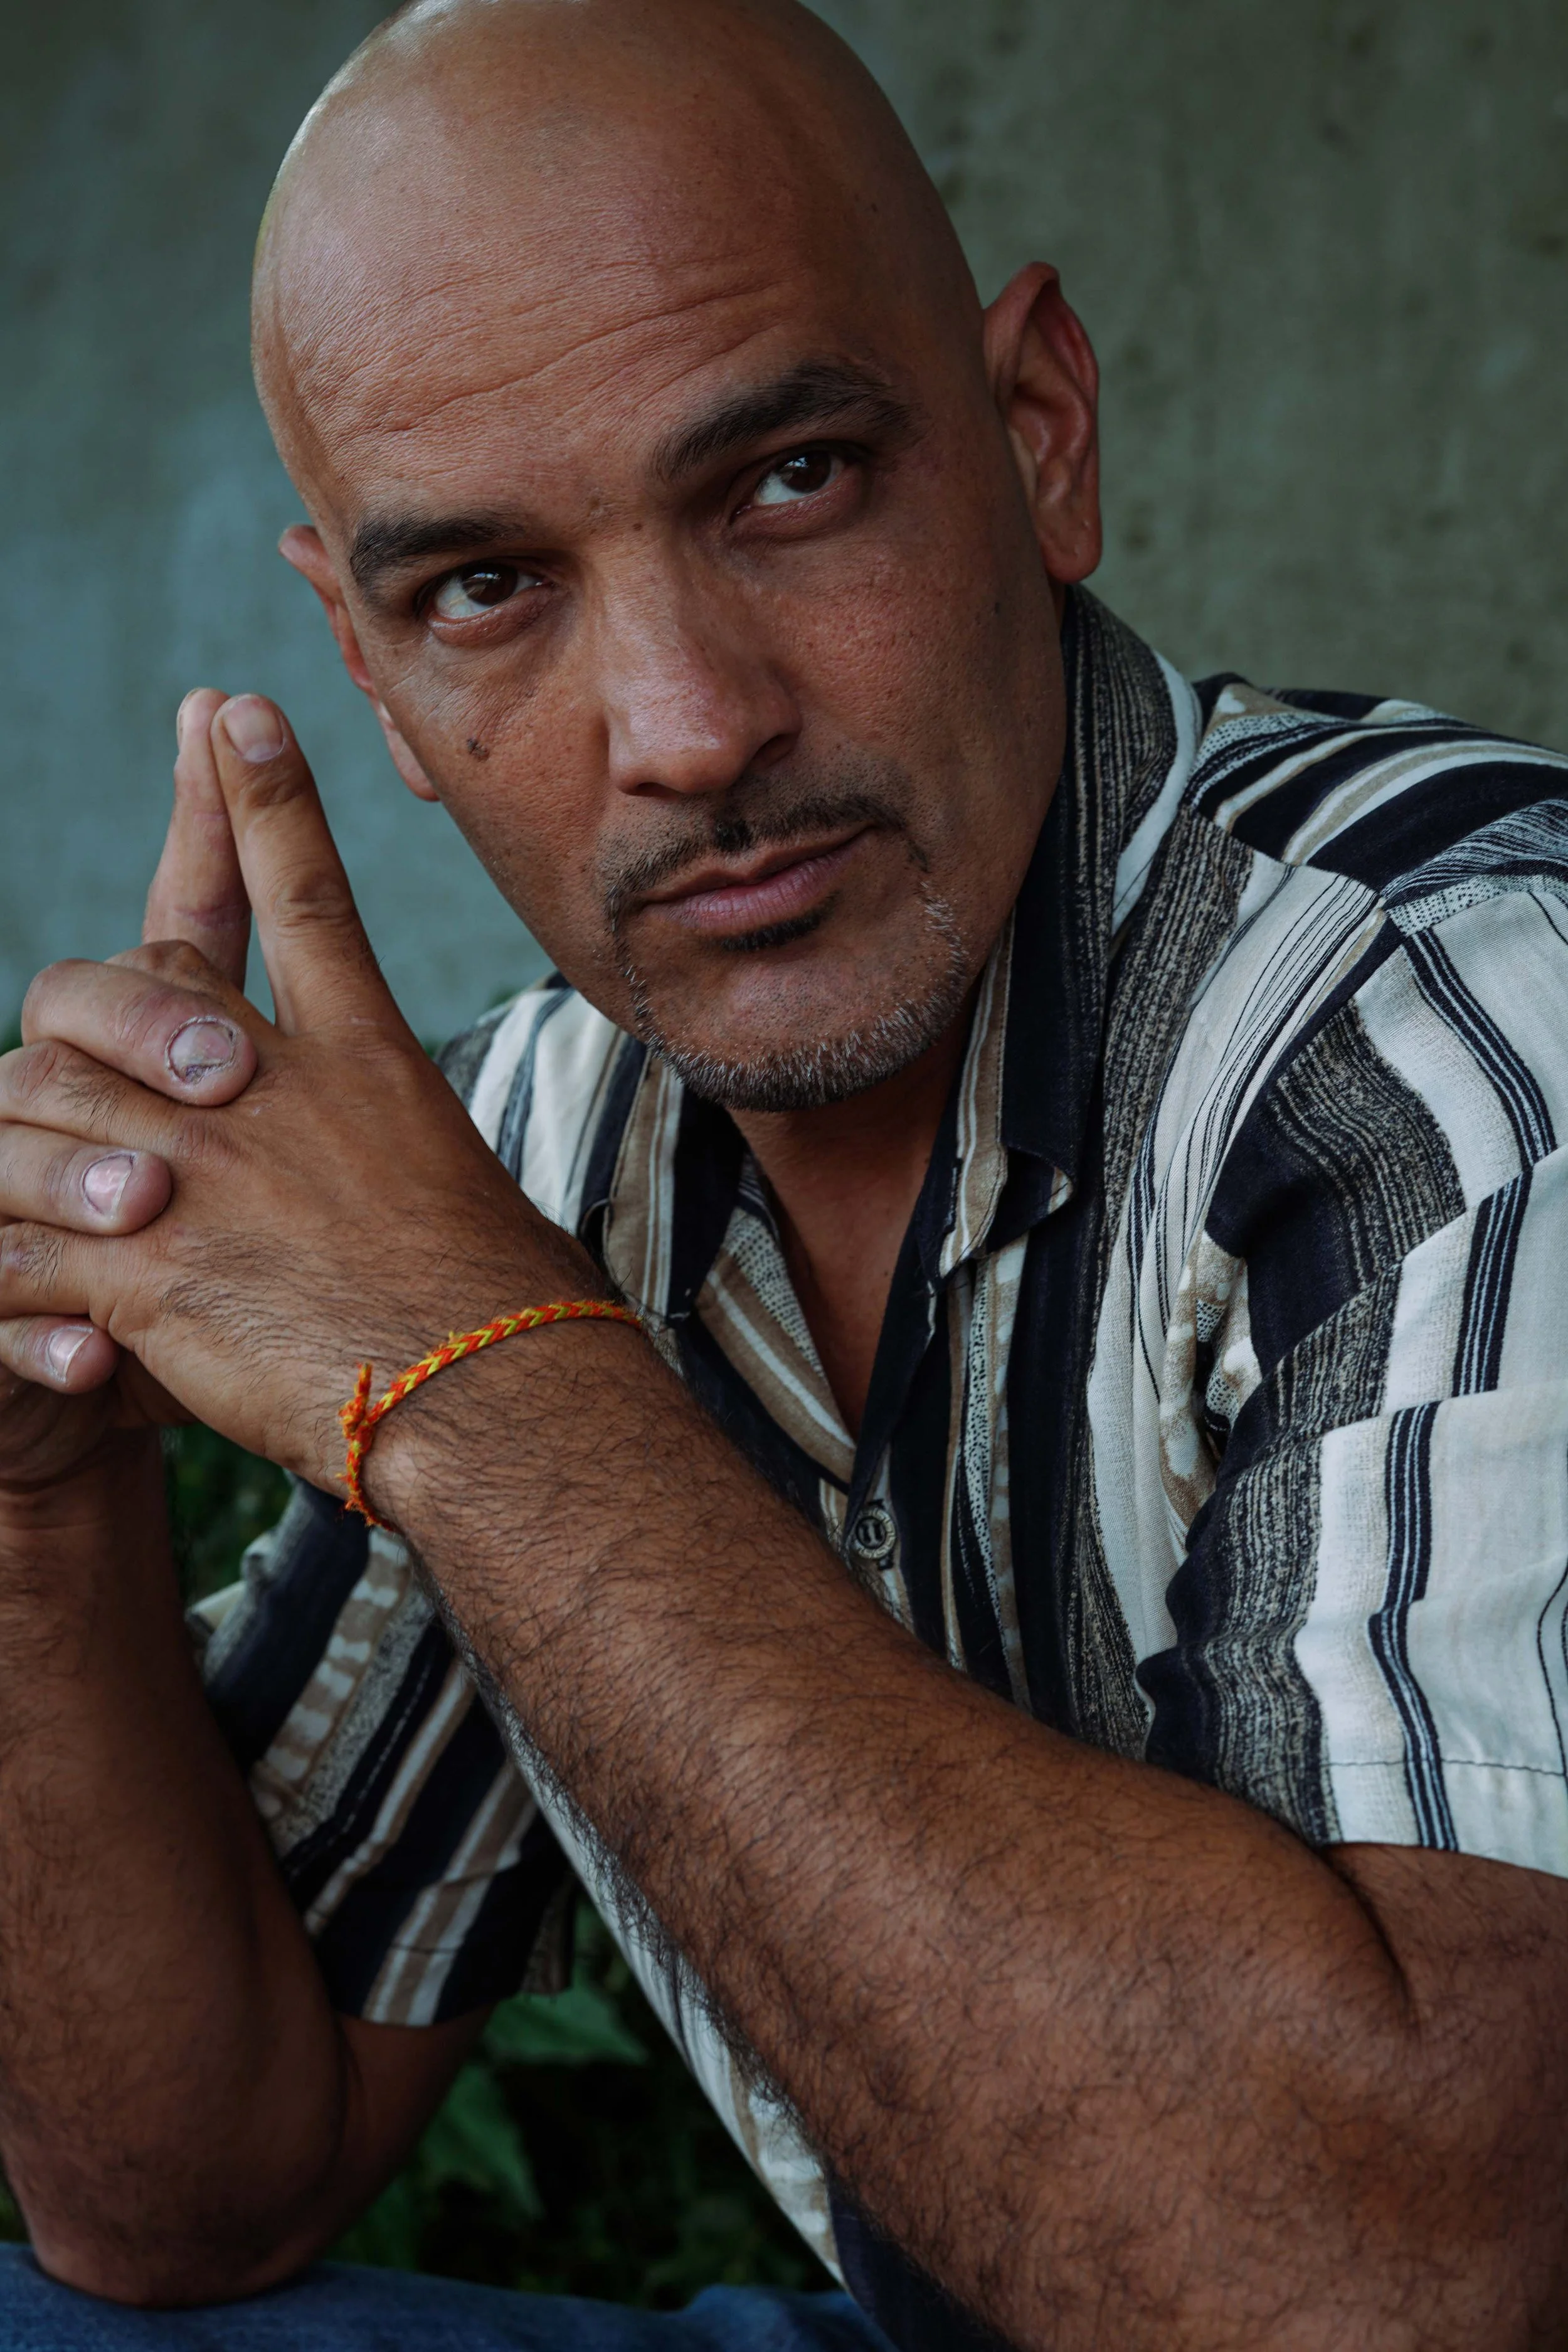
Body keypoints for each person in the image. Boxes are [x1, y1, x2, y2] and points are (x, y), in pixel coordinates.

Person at [3, 0, 1568, 2344]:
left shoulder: (1459, 1015)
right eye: (485, 590)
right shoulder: (539, 1141)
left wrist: (479, 1378)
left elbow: (1387, 2293)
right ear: (371, 666)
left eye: (789, 481)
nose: (689, 727)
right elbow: (181, 2199)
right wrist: (35, 1521)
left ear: (1037, 436)